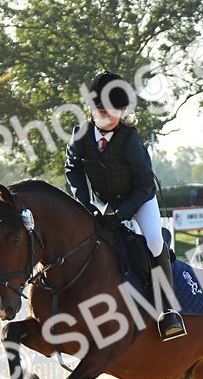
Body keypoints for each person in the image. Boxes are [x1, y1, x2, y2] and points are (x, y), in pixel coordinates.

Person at [65, 71, 186, 340]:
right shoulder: (80, 136)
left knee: (154, 242)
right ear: (92, 110)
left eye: (114, 112)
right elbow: (72, 169)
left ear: (122, 112)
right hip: (103, 200)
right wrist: (85, 204)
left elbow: (144, 184)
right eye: (102, 112)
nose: (108, 118)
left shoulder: (130, 140)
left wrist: (122, 213)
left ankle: (169, 311)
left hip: (139, 199)